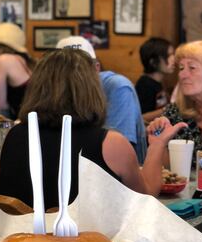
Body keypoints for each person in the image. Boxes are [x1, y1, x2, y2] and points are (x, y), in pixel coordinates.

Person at [0, 48, 185, 209]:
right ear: (92, 89)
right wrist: (157, 145)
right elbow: (146, 197)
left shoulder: (15, 134)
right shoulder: (111, 144)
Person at [56, 36, 147, 164]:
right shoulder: (57, 92)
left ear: (96, 68)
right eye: (63, 67)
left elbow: (116, 154)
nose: (71, 74)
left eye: (79, 67)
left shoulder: (117, 87)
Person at [147, 40, 202, 156]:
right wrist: (158, 143)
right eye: (181, 68)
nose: (182, 75)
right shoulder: (174, 113)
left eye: (192, 68)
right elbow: (167, 170)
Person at [0, 22, 34, 120]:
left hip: (23, 123)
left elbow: (0, 105)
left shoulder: (4, 59)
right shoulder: (24, 59)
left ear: (0, 46)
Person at [135, 37, 175, 123]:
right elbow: (141, 117)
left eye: (173, 55)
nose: (173, 60)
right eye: (168, 56)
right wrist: (170, 109)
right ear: (153, 62)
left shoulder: (158, 82)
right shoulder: (145, 85)